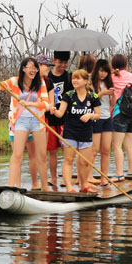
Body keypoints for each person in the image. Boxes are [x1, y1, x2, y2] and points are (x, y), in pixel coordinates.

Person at [0, 58, 50, 191]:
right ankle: (11, 187)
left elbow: (46, 104)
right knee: (17, 155)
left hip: (37, 121)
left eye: (35, 68)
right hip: (21, 122)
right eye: (30, 67)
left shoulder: (40, 83)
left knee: (41, 155)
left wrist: (30, 104)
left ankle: (45, 188)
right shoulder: (14, 81)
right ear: (23, 68)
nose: (33, 70)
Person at [50, 69, 101, 193]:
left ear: (85, 81)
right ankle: (69, 187)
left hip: (86, 133)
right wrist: (54, 111)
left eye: (78, 78)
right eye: (73, 78)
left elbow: (98, 114)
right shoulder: (69, 95)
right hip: (70, 132)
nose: (75, 81)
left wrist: (90, 115)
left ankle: (84, 185)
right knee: (68, 160)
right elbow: (60, 113)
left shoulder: (92, 96)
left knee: (84, 162)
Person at [110, 54, 132, 182]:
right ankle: (131, 172)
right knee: (129, 145)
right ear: (125, 64)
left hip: (120, 114)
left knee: (117, 146)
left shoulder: (112, 77)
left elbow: (111, 97)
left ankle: (119, 175)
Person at [45, 51, 73, 189]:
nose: (63, 65)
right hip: (49, 119)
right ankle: (54, 178)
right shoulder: (47, 77)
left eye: (65, 63)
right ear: (54, 60)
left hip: (65, 119)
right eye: (60, 62)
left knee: (68, 150)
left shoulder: (69, 77)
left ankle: (67, 178)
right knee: (52, 150)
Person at [27, 54, 56, 188]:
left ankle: (44, 185)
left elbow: (50, 102)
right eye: (46, 66)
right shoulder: (27, 81)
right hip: (26, 119)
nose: (49, 69)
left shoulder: (48, 82)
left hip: (41, 120)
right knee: (32, 154)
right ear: (38, 67)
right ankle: (34, 184)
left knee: (42, 154)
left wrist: (50, 107)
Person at [87, 59, 115, 186]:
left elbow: (112, 104)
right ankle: (89, 176)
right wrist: (102, 93)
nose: (103, 74)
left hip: (107, 118)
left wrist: (112, 95)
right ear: (96, 70)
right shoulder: (91, 84)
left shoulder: (108, 83)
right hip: (95, 118)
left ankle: (104, 178)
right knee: (94, 149)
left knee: (106, 150)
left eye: (105, 71)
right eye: (101, 71)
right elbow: (89, 101)